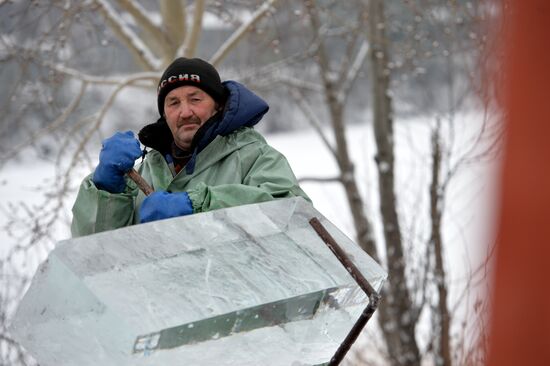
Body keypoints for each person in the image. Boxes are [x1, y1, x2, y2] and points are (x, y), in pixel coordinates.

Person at [71, 57, 310, 237]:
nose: (185, 112)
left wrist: (197, 205)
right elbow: (97, 258)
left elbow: (294, 217)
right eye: (173, 103)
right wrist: (107, 192)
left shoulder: (254, 157)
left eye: (195, 99)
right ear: (164, 114)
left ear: (217, 106)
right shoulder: (144, 175)